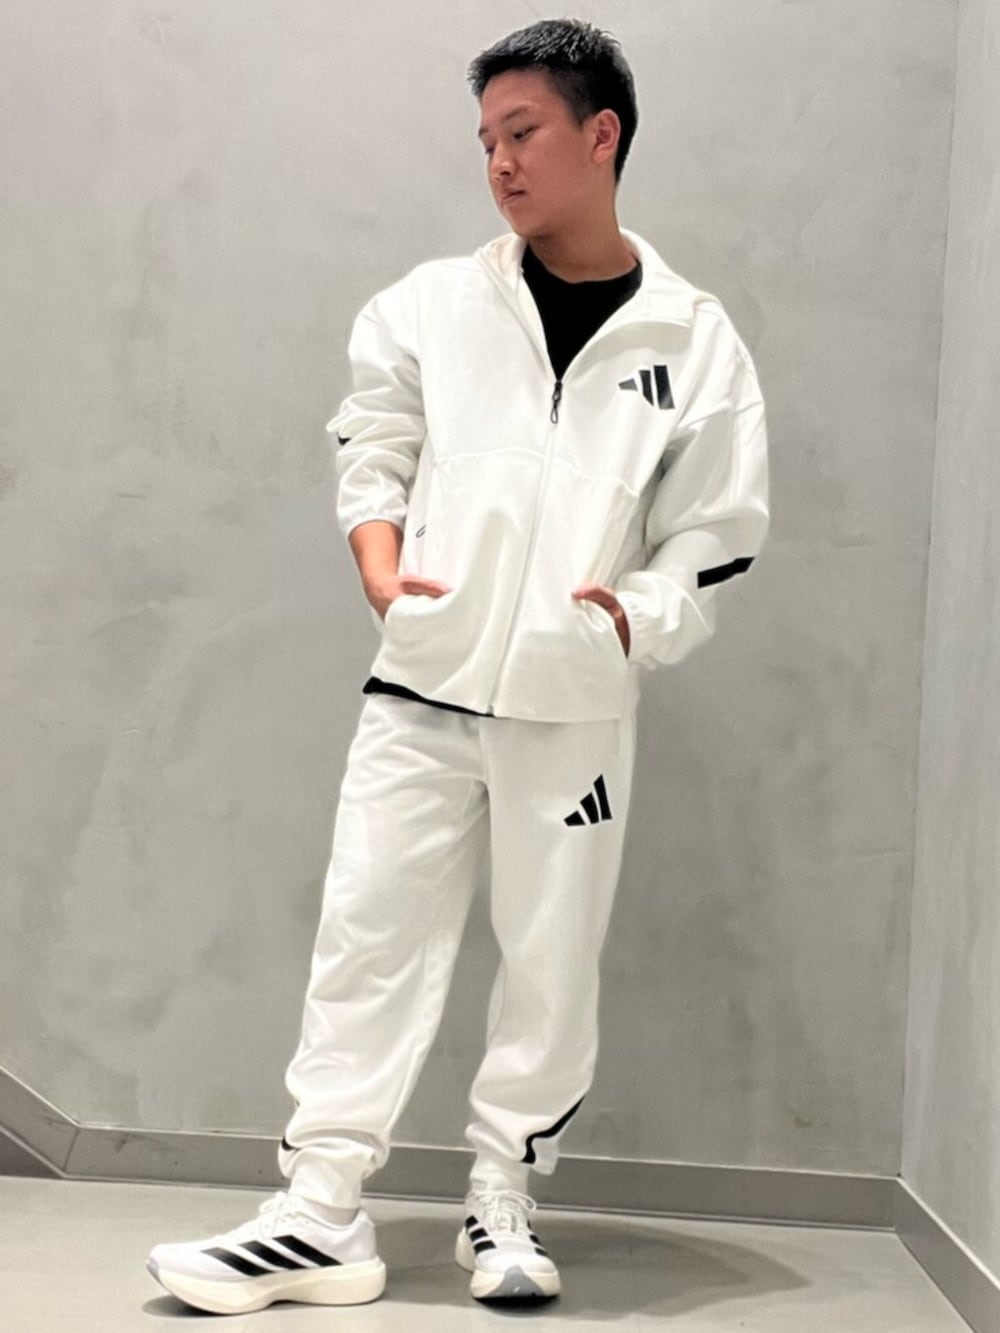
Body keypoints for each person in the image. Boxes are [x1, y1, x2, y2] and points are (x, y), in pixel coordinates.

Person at [146, 16, 769, 1315]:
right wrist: (381, 567)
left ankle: (505, 1200)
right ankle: (321, 1213)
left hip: (573, 707)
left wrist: (633, 619)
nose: (499, 162)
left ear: (602, 135)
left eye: (522, 132)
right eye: (486, 139)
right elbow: (371, 440)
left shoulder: (694, 339)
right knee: (365, 936)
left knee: (552, 964)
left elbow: (717, 532)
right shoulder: (431, 305)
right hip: (422, 684)